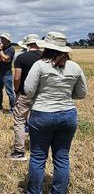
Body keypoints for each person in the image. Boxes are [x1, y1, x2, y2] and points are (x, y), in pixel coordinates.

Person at [24, 32, 87, 193]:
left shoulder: (39, 65)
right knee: (62, 158)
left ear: (46, 47)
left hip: (42, 114)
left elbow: (29, 91)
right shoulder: (75, 67)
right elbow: (81, 94)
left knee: (38, 158)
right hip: (67, 114)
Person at [10, 34, 42, 161]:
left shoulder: (21, 58)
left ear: (27, 45)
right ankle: (39, 147)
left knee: (19, 121)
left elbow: (17, 78)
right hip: (41, 95)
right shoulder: (46, 58)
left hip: (24, 94)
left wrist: (16, 90)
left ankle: (19, 151)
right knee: (39, 121)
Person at [0, 33, 15, 113]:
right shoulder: (1, 48)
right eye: (1, 38)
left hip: (7, 73)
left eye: (3, 39)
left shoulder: (11, 49)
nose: (1, 40)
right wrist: (3, 58)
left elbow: (6, 58)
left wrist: (0, 51)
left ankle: (12, 108)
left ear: (7, 40)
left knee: (9, 92)